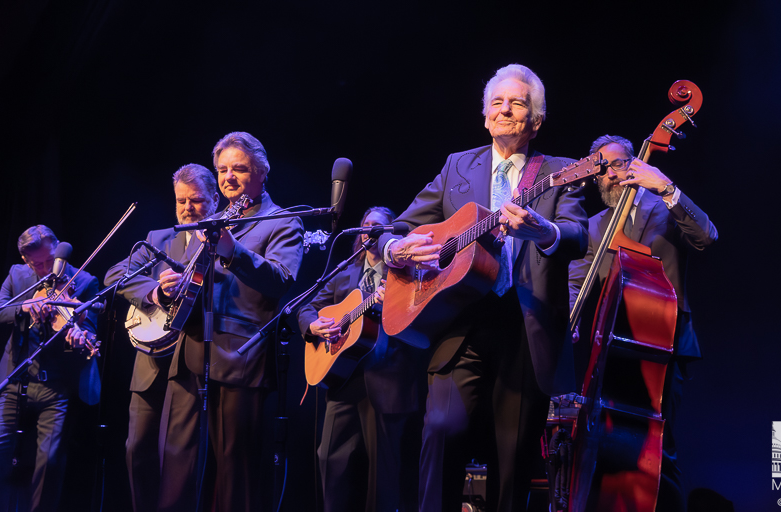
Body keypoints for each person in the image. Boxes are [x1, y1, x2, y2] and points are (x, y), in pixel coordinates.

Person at [379, 64, 589, 512]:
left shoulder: (559, 171)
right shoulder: (457, 165)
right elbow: (401, 225)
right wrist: (394, 248)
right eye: (497, 102)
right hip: (460, 324)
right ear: (485, 116)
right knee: (441, 430)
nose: (505, 109)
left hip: (524, 327)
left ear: (536, 120)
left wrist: (543, 230)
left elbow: (576, 235)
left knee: (510, 462)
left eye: (518, 103)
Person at [568, 134, 718, 512]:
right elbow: (576, 281)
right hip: (613, 349)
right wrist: (569, 317)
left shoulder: (663, 206)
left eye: (618, 164)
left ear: (636, 165)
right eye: (601, 170)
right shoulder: (595, 226)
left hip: (662, 345)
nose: (611, 175)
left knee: (658, 447)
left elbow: (707, 236)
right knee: (613, 450)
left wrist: (666, 187)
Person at [175, 132, 303, 512]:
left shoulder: (282, 221)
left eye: (239, 169)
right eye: (222, 169)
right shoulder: (213, 219)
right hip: (195, 354)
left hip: (240, 359)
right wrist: (174, 281)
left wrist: (233, 250)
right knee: (194, 468)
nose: (228, 177)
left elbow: (281, 279)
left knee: (236, 470)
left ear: (262, 172)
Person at [103, 163, 220, 512]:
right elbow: (114, 274)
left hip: (190, 360)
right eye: (181, 201)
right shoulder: (157, 239)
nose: (187, 208)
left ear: (214, 200)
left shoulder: (219, 241)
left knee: (177, 457)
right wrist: (155, 292)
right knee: (136, 449)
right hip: (149, 362)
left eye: (197, 200)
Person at [298, 207, 425, 512]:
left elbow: (421, 322)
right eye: (366, 225)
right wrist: (313, 325)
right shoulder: (343, 273)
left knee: (381, 474)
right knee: (330, 459)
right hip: (342, 379)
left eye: (379, 227)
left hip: (387, 378)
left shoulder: (407, 273)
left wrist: (393, 302)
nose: (370, 230)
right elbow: (305, 307)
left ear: (392, 235)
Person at [0, 225, 100, 512]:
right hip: (16, 381)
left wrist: (80, 336)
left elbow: (91, 331)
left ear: (58, 249)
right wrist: (24, 306)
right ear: (25, 260)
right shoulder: (17, 276)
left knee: (49, 463)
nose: (47, 269)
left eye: (50, 260)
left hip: (56, 388)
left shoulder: (84, 281)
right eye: (38, 264)